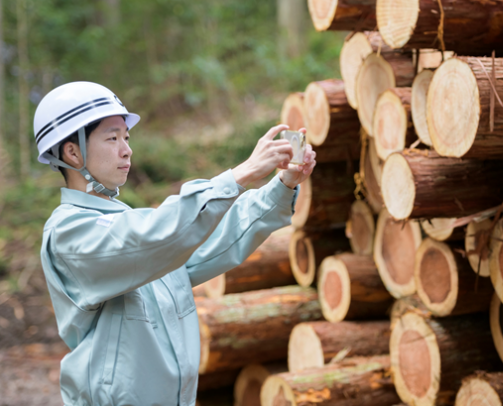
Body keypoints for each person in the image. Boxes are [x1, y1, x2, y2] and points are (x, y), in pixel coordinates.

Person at [33, 81, 316, 406]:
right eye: (112, 138)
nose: (127, 149)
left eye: (126, 137)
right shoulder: (69, 232)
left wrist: (282, 186)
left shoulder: (133, 228)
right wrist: (241, 173)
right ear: (72, 152)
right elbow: (157, 236)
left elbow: (214, 241)